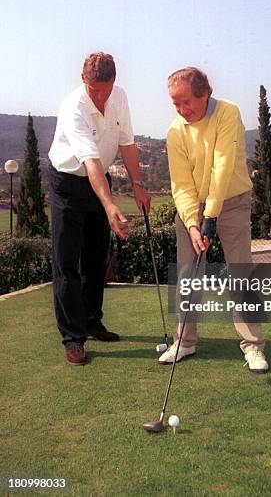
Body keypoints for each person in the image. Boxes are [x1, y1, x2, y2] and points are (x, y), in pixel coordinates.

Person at [158, 67, 269, 373]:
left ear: (204, 93)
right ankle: (185, 342)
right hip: (192, 209)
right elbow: (181, 185)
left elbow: (223, 165)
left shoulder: (227, 113)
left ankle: (252, 346)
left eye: (186, 103)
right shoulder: (175, 131)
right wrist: (194, 223)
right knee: (187, 275)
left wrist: (211, 216)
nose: (181, 110)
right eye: (175, 104)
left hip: (232, 202)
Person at [48, 52, 150, 365]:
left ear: (114, 82)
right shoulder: (73, 108)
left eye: (106, 88)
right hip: (68, 182)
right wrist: (109, 205)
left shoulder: (119, 96)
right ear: (83, 81)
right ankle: (72, 337)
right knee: (67, 262)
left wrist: (137, 185)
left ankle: (92, 321)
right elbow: (90, 162)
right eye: (95, 90)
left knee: (95, 258)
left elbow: (127, 143)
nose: (102, 95)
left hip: (98, 180)